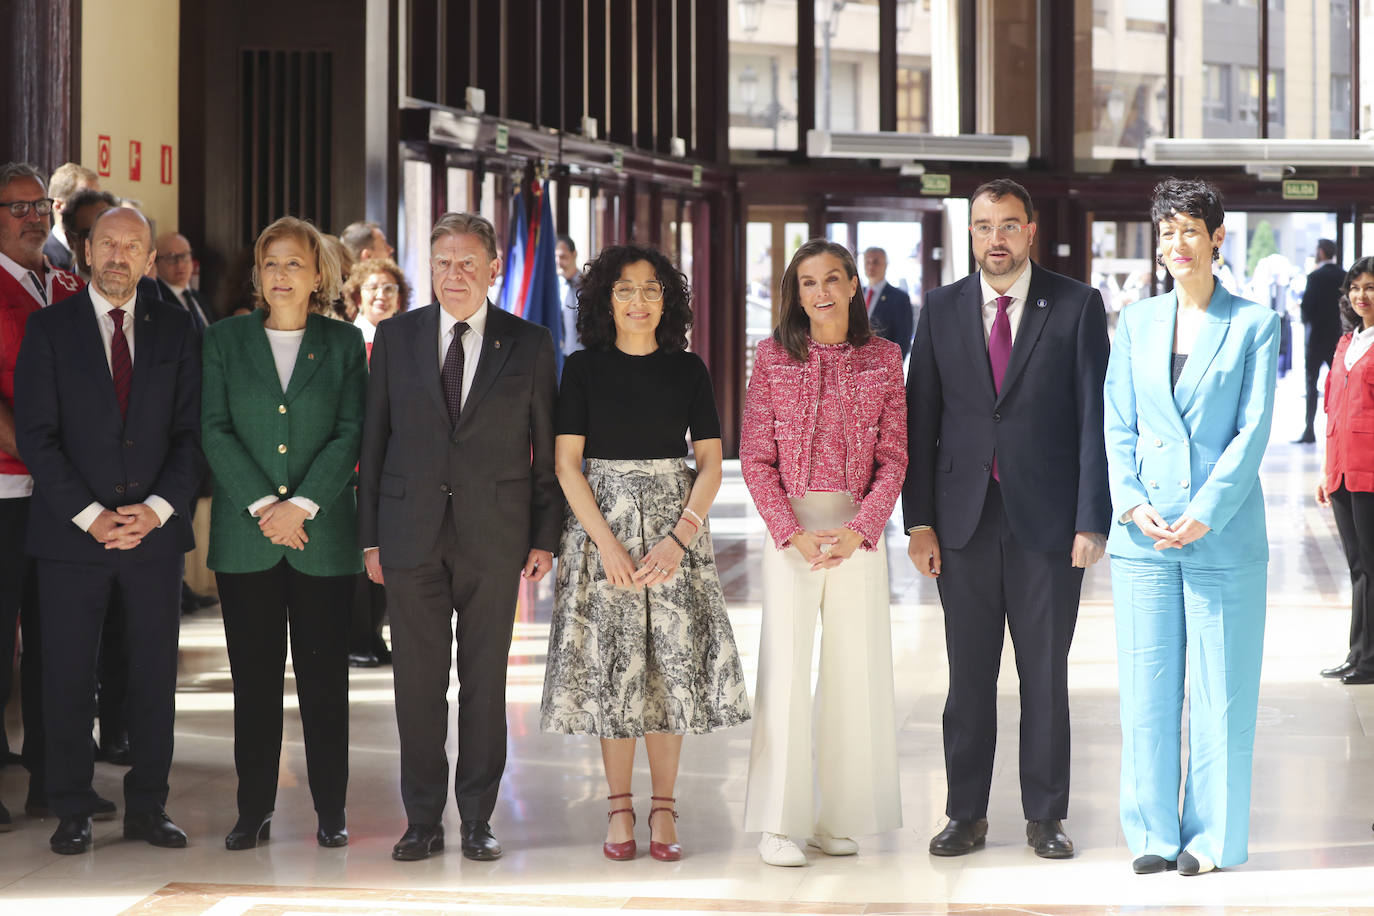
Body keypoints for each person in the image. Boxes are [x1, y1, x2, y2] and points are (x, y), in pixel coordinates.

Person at [904, 178, 1110, 860]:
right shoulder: (939, 308)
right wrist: (919, 522)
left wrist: (1091, 519)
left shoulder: (1076, 305)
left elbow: (1092, 422)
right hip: (962, 525)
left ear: (1030, 229)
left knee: (1044, 677)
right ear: (970, 232)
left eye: (1008, 225)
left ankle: (1045, 816)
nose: (995, 238)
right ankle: (965, 814)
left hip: (1049, 526)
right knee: (968, 680)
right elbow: (921, 419)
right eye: (983, 225)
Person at [358, 211, 562, 863]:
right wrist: (369, 539)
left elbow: (548, 447)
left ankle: (477, 818)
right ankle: (422, 820)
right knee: (416, 685)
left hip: (495, 537)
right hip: (409, 534)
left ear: (494, 269)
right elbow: (374, 440)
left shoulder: (527, 344)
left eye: (469, 262)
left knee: (483, 684)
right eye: (443, 262)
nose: (455, 275)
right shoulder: (396, 338)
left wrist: (544, 536)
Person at [541, 244, 750, 862]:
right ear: (607, 299)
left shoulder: (688, 369)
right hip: (598, 528)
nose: (639, 300)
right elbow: (565, 463)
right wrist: (605, 544)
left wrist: (681, 534)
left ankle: (664, 808)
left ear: (669, 300)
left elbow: (710, 462)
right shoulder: (582, 369)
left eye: (652, 289)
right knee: (614, 670)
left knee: (667, 672)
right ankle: (618, 810)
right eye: (626, 289)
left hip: (672, 528)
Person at [15, 206, 203, 855]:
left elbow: (191, 434)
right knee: (68, 675)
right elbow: (36, 437)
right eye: (109, 245)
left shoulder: (178, 330)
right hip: (72, 538)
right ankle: (71, 807)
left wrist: (155, 510)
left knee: (152, 676)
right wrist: (94, 517)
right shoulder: (49, 329)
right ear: (87, 252)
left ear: (150, 260)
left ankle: (149, 808)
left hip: (152, 537)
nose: (120, 256)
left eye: (134, 247)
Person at [1105, 178, 1279, 877]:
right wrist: (1129, 500)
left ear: (1217, 238)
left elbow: (1254, 428)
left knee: (1221, 695)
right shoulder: (1135, 322)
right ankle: (1151, 831)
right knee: (1147, 692)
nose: (1177, 243)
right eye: (1166, 231)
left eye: (1190, 230)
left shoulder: (1255, 323)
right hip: (1143, 539)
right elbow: (1117, 424)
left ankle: (1211, 841)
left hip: (1222, 535)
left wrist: (1204, 510)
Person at [739, 238, 907, 867]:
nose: (821, 292)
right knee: (784, 672)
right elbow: (755, 455)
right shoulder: (773, 357)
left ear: (853, 286)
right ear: (796, 294)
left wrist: (863, 528)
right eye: (807, 283)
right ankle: (777, 824)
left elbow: (895, 457)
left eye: (832, 279)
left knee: (851, 673)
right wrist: (790, 530)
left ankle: (836, 816)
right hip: (793, 532)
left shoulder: (885, 359)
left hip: (858, 534)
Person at [201, 216, 366, 850]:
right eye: (271, 264)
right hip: (247, 542)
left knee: (326, 683)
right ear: (257, 274)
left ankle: (331, 810)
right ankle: (254, 810)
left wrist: (299, 506)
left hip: (321, 540)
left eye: (295, 263)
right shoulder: (223, 340)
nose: (281, 275)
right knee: (254, 684)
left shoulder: (345, 344)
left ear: (318, 273)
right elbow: (214, 429)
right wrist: (267, 508)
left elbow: (349, 433)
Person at [0, 162, 88, 831]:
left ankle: (53, 782)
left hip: (58, 495)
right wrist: (43, 454)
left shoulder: (66, 285)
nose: (34, 217)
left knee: (57, 638)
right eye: (18, 207)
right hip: (7, 487)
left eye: (41, 206)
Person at [340, 256, 412, 667]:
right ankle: (357, 638)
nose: (381, 296)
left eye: (389, 289)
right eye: (372, 289)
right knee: (359, 557)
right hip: (353, 467)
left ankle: (375, 635)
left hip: (395, 465)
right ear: (356, 297)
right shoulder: (348, 342)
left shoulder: (407, 342)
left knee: (391, 554)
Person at [1316, 262, 1374, 684]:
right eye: (1355, 288)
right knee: (1357, 566)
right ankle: (1357, 653)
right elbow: (1331, 408)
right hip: (1340, 470)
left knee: (1372, 567)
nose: (1362, 297)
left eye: (1370, 289)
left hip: (1370, 469)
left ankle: (1369, 660)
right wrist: (1324, 469)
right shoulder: (1344, 343)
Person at [1296, 239, 1343, 444]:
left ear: (1321, 253)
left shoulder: (1314, 277)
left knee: (1311, 384)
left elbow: (1307, 307)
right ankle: (1339, 429)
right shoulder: (1344, 275)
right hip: (1337, 338)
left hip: (1316, 338)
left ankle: (1309, 430)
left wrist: (1308, 324)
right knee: (1341, 386)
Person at [43, 162, 99, 273]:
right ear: (59, 206)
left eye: (98, 200)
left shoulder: (99, 253)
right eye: (87, 201)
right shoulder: (43, 256)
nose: (97, 209)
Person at [154, 232, 214, 330]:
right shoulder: (157, 299)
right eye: (171, 258)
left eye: (184, 256)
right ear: (156, 262)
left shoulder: (199, 298)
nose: (180, 264)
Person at [862, 246, 914, 359]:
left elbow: (903, 338)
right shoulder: (854, 294)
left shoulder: (899, 298)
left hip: (883, 364)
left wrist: (893, 367)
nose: (871, 266)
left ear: (885, 265)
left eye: (876, 262)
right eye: (867, 262)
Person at [556, 234, 583, 357]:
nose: (558, 262)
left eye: (562, 256)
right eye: (555, 257)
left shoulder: (588, 285)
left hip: (584, 354)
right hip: (561, 356)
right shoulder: (555, 287)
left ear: (574, 254)